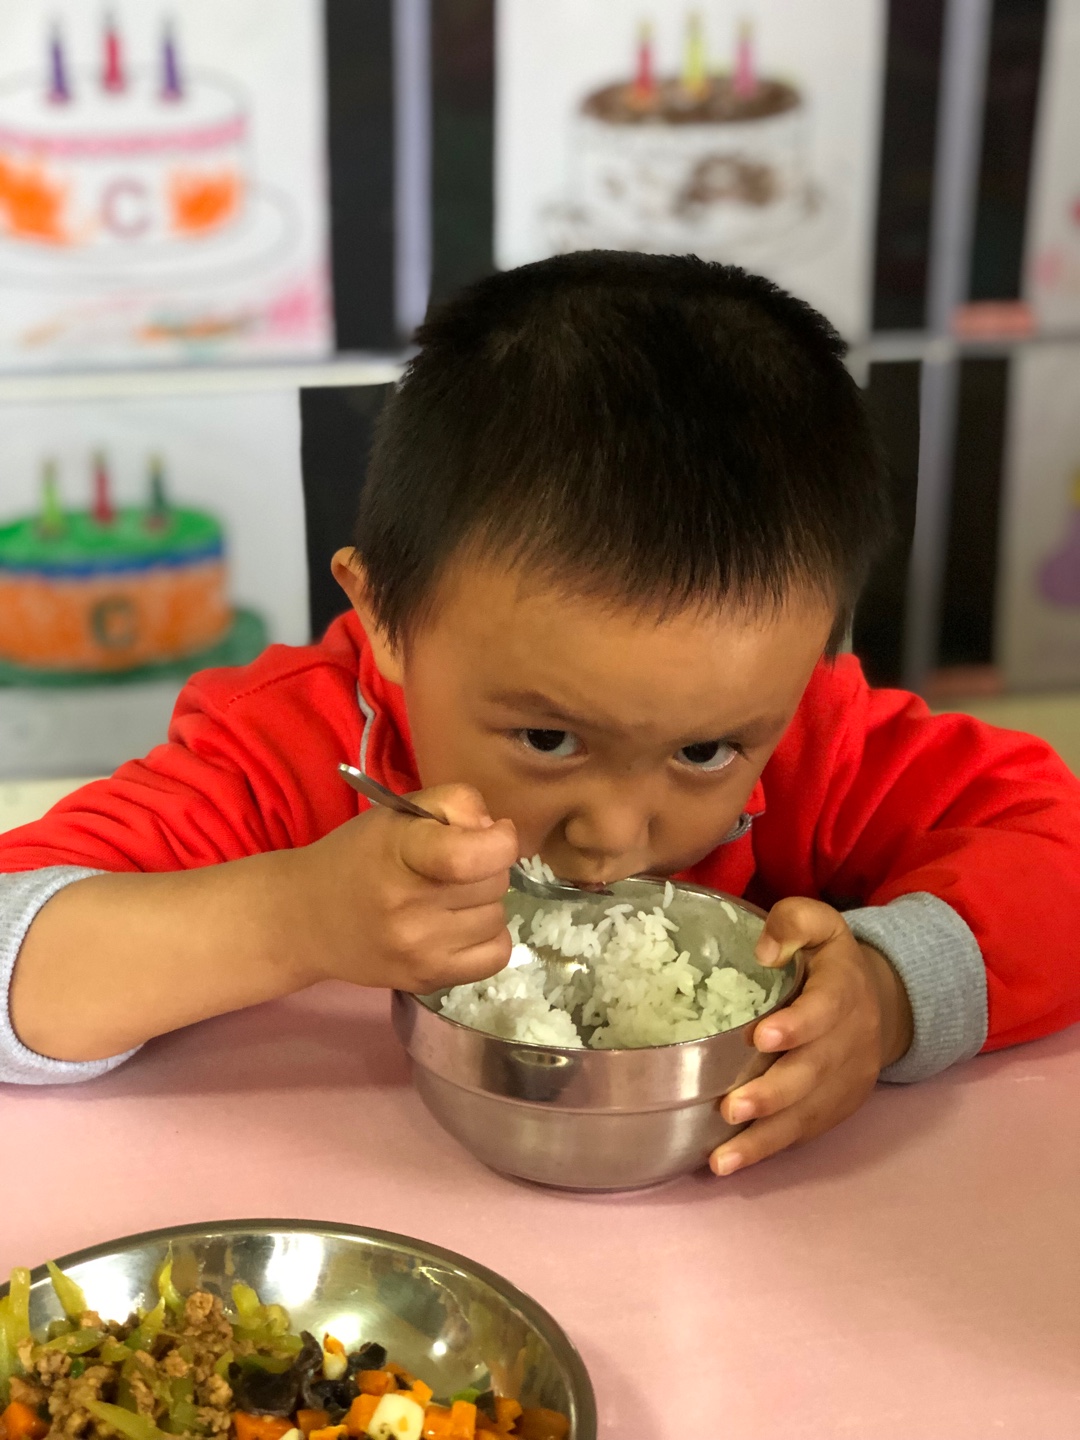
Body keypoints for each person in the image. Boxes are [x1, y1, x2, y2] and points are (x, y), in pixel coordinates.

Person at [2, 253, 1078, 1180]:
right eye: (549, 740)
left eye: (705, 751)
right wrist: (291, 919)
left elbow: (1057, 847)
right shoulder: (293, 745)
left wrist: (889, 994)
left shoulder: (811, 735)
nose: (610, 832)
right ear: (388, 619)